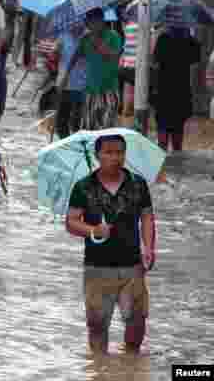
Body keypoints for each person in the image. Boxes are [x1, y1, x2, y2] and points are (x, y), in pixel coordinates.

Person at [66, 134, 154, 355]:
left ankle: (131, 366)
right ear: (98, 156)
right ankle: (100, 369)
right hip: (97, 267)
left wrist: (149, 247)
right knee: (97, 325)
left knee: (136, 322)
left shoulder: (138, 184)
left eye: (120, 152)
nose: (115, 157)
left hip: (132, 265)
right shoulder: (84, 187)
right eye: (109, 152)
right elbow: (71, 222)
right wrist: (93, 230)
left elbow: (146, 217)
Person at [153, 26, 202, 152]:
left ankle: (164, 158)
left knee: (166, 126)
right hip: (179, 88)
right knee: (176, 127)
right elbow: (196, 59)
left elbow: (156, 60)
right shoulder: (189, 41)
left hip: (167, 87)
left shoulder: (163, 38)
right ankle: (173, 157)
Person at [81, 10, 124, 131]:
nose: (90, 25)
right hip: (91, 89)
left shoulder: (113, 36)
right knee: (89, 128)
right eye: (88, 22)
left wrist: (96, 39)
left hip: (109, 88)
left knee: (107, 129)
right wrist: (65, 75)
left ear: (101, 21)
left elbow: (111, 55)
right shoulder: (86, 38)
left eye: (93, 22)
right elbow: (77, 56)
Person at [54, 21, 91, 139]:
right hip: (65, 82)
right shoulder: (63, 35)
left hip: (83, 83)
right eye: (74, 21)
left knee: (78, 118)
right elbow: (56, 54)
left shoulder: (89, 37)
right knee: (62, 118)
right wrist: (55, 51)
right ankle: (64, 141)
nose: (76, 24)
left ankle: (76, 141)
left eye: (80, 20)